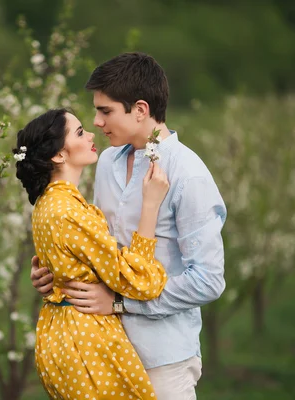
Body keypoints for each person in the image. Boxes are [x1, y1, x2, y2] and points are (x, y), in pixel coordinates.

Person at [30, 52, 227, 400]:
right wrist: (56, 273)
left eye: (105, 111)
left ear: (140, 109)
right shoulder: (106, 161)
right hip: (103, 350)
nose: (97, 121)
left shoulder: (188, 174)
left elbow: (208, 281)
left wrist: (121, 303)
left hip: (163, 357)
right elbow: (98, 247)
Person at [13, 108, 171, 399]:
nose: (91, 135)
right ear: (59, 155)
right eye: (79, 132)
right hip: (87, 340)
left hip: (58, 333)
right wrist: (150, 205)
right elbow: (140, 280)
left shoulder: (48, 203)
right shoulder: (70, 213)